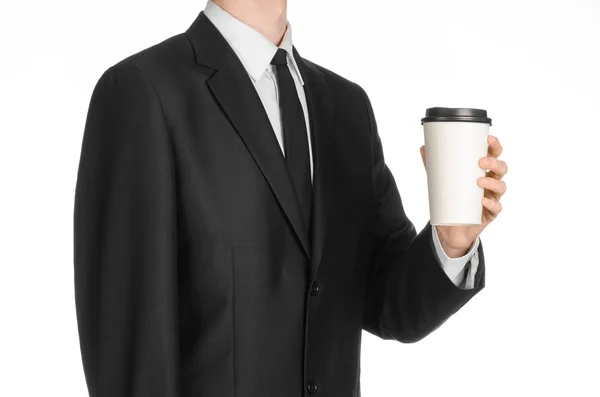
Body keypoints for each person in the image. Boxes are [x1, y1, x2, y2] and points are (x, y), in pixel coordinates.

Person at [73, 1, 508, 396]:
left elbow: (390, 305)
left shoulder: (347, 106)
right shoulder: (143, 92)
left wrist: (450, 245)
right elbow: (130, 353)